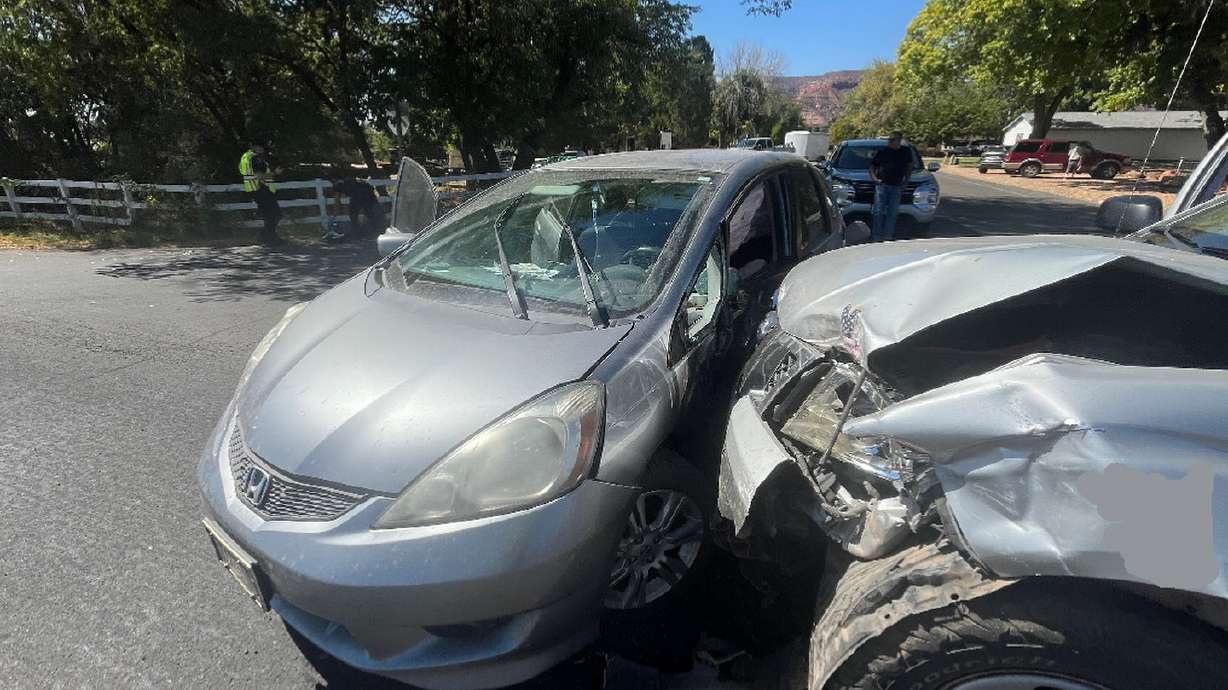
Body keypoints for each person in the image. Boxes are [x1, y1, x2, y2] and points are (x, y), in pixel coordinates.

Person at [869, 131, 913, 242]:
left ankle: (888, 237)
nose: (890, 141)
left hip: (897, 186)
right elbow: (871, 168)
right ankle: (876, 238)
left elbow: (909, 167)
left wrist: (906, 181)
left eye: (893, 139)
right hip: (882, 186)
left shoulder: (905, 152)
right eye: (889, 140)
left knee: (892, 213)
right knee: (878, 212)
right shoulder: (883, 152)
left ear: (899, 140)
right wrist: (875, 179)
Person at [239, 142, 282, 245]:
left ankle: (267, 236)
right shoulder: (255, 159)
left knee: (269, 215)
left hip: (255, 189)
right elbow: (260, 176)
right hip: (260, 189)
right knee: (274, 214)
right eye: (262, 147)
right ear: (256, 147)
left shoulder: (246, 157)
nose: (263, 150)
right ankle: (268, 237)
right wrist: (275, 173)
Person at [327, 174, 386, 241]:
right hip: (367, 192)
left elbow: (337, 199)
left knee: (353, 214)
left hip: (358, 195)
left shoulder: (337, 185)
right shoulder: (350, 180)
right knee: (370, 212)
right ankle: (376, 229)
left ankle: (356, 233)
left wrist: (336, 211)